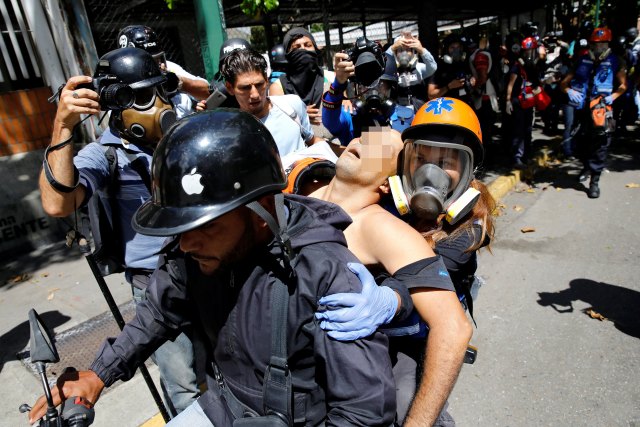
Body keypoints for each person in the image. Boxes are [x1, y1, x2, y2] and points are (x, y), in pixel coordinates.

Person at [29, 109, 400, 427]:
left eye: (206, 226)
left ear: (263, 211)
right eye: (182, 229)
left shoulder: (323, 271)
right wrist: (99, 373)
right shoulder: (193, 251)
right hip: (221, 408)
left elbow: (363, 411)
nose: (187, 245)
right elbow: (156, 313)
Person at [38, 47, 200, 415]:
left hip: (204, 265)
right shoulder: (106, 154)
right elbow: (56, 203)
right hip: (154, 283)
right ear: (118, 102)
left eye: (161, 92)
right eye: (144, 97)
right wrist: (62, 126)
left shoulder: (178, 137)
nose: (159, 105)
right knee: (183, 385)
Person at [306, 126, 474, 426]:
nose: (431, 171)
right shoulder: (301, 189)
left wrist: (392, 299)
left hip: (409, 343)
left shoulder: (463, 228)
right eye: (421, 158)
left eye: (446, 162)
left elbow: (451, 326)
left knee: (406, 402)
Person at [205, 48, 322, 157]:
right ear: (230, 88)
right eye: (245, 88)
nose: (255, 95)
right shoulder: (229, 133)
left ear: (266, 80)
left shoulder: (291, 106)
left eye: (259, 84)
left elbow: (312, 141)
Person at [560, 27, 627, 199]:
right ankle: (586, 166)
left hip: (601, 110)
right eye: (596, 44)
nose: (599, 47)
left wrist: (613, 96)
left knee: (600, 146)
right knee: (579, 142)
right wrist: (569, 91)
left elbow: (623, 85)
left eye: (602, 43)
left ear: (608, 44)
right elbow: (565, 82)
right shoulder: (581, 59)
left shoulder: (615, 61)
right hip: (582, 109)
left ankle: (594, 182)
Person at [322, 40, 410, 145]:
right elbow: (329, 122)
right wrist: (338, 83)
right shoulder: (349, 120)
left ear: (392, 87)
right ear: (356, 88)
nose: (373, 91)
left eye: (380, 84)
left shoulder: (407, 118)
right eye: (365, 84)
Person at [118, 25, 209, 117]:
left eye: (157, 59)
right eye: (148, 62)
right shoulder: (120, 79)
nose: (156, 65)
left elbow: (207, 91)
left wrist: (178, 82)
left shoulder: (168, 67)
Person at [268, 27, 335, 129]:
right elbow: (278, 123)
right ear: (288, 54)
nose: (303, 49)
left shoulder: (330, 78)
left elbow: (343, 109)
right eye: (296, 47)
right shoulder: (278, 87)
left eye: (308, 45)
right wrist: (298, 116)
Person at [504, 36, 545, 169]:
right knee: (518, 130)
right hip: (518, 102)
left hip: (529, 103)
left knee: (527, 130)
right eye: (527, 51)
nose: (529, 54)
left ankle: (527, 154)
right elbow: (510, 84)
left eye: (531, 51)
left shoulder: (535, 66)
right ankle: (517, 157)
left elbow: (536, 83)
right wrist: (508, 101)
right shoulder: (517, 66)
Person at [384, 30, 438, 111]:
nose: (404, 53)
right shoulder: (390, 69)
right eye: (400, 50)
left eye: (408, 50)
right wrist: (392, 48)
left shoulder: (419, 67)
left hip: (418, 111)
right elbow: (382, 65)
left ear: (413, 52)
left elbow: (433, 67)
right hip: (397, 113)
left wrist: (422, 50)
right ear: (395, 53)